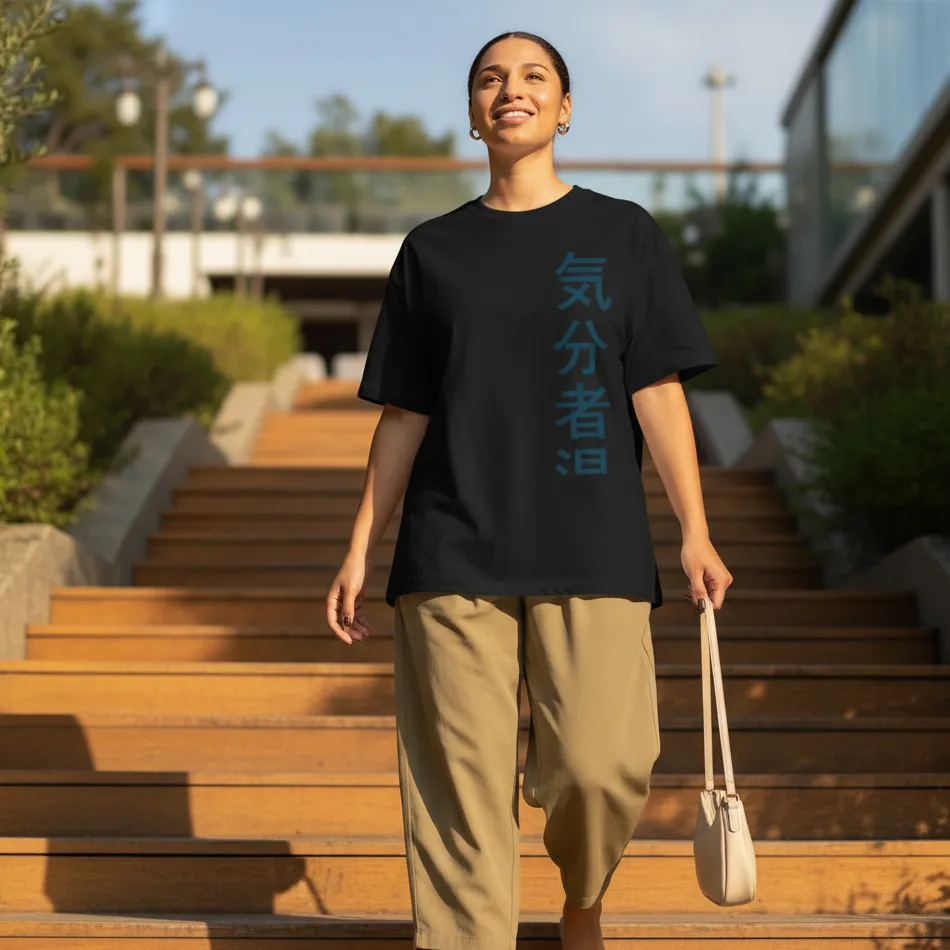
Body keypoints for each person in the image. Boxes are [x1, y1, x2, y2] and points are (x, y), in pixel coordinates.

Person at [327, 29, 733, 950]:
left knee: (602, 765)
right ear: (473, 113)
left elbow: (657, 389)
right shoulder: (432, 250)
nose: (510, 89)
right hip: (451, 548)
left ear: (565, 107)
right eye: (490, 79)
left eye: (533, 76)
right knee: (459, 796)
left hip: (594, 543)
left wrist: (695, 530)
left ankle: (583, 898)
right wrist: (360, 547)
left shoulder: (622, 235)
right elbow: (403, 413)